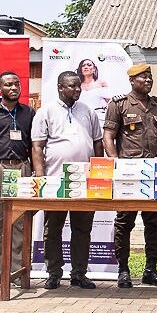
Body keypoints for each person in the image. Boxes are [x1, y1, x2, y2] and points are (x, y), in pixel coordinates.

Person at [31, 71, 104, 290]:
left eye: (78, 86)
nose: (77, 90)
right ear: (60, 87)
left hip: (84, 180)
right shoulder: (46, 112)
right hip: (55, 181)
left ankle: (79, 273)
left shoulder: (87, 111)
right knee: (53, 228)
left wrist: (99, 173)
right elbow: (37, 146)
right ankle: (54, 273)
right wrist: (41, 178)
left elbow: (97, 142)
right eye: (72, 86)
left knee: (82, 229)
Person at [104, 63, 157, 288]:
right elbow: (108, 136)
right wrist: (115, 164)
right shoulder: (119, 104)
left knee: (155, 222)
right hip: (130, 173)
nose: (148, 80)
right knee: (125, 222)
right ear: (132, 81)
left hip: (156, 172)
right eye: (143, 77)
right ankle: (123, 270)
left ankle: (150, 270)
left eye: (150, 77)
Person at [0, 71, 35, 290]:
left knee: (20, 221)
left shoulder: (28, 112)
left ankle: (18, 271)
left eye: (16, 84)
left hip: (22, 168)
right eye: (8, 84)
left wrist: (34, 173)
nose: (13, 88)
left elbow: (34, 145)